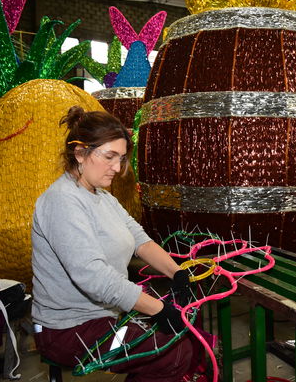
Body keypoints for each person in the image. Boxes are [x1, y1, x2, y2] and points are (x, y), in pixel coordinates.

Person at [31, 106, 199, 382]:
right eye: (109, 157)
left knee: (181, 340)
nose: (118, 168)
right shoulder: (62, 202)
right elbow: (94, 277)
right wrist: (159, 309)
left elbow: (140, 240)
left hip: (101, 317)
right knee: (173, 354)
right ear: (80, 153)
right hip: (68, 330)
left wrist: (177, 272)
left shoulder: (102, 197)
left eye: (121, 159)